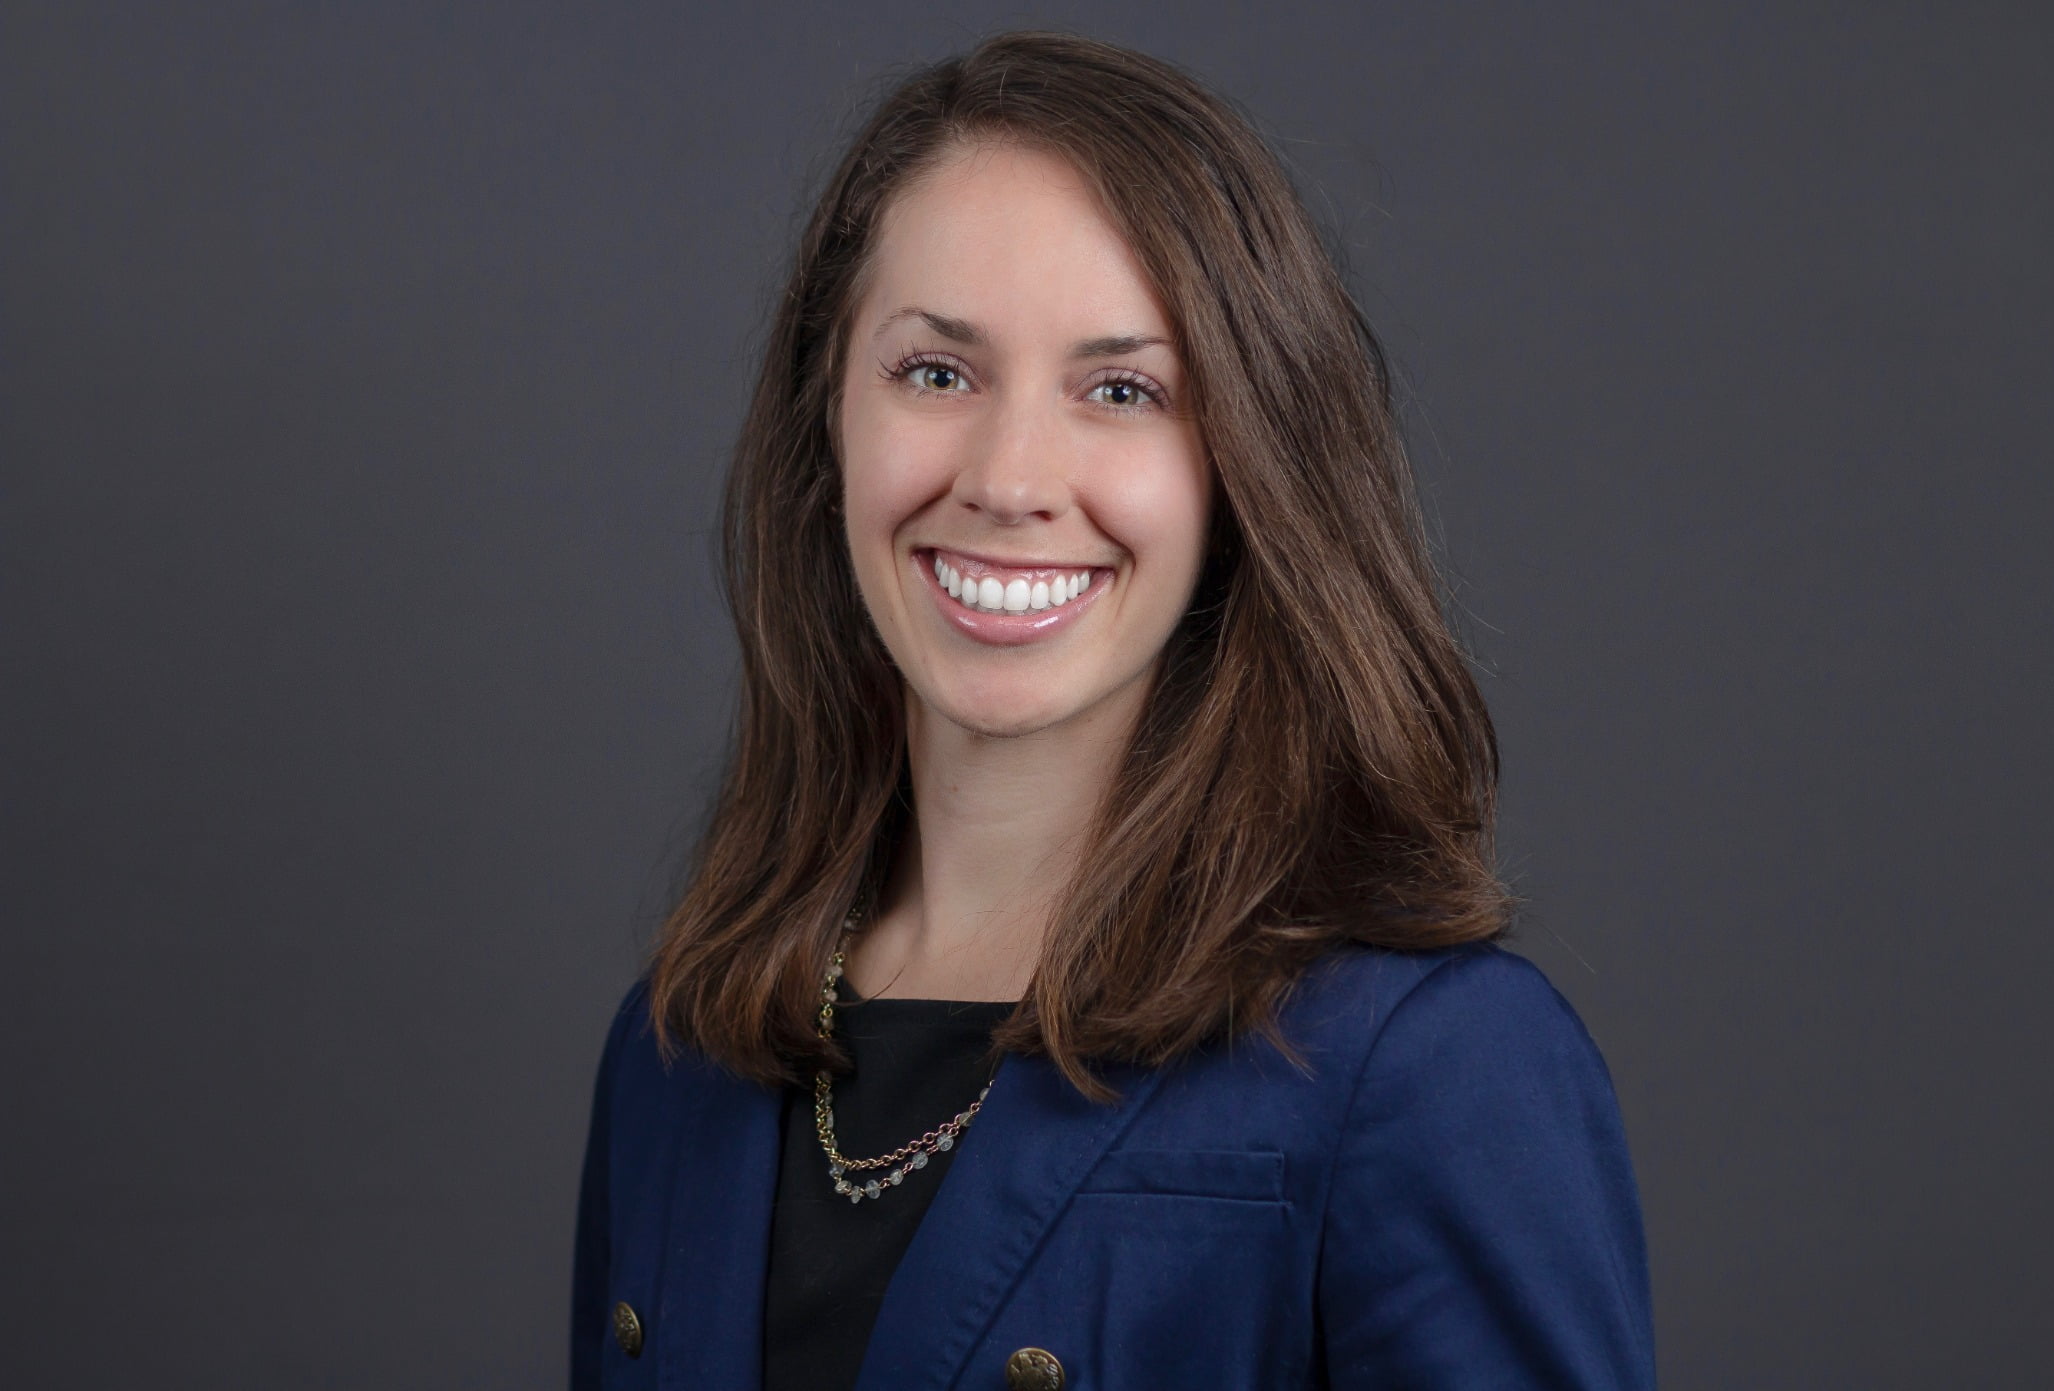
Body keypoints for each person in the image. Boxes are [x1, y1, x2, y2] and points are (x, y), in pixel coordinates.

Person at [571, 29, 1654, 1391]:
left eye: (1123, 390)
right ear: (824, 422)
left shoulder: (1428, 1065)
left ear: (1243, 468)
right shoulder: (680, 1052)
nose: (1011, 477)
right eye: (936, 371)